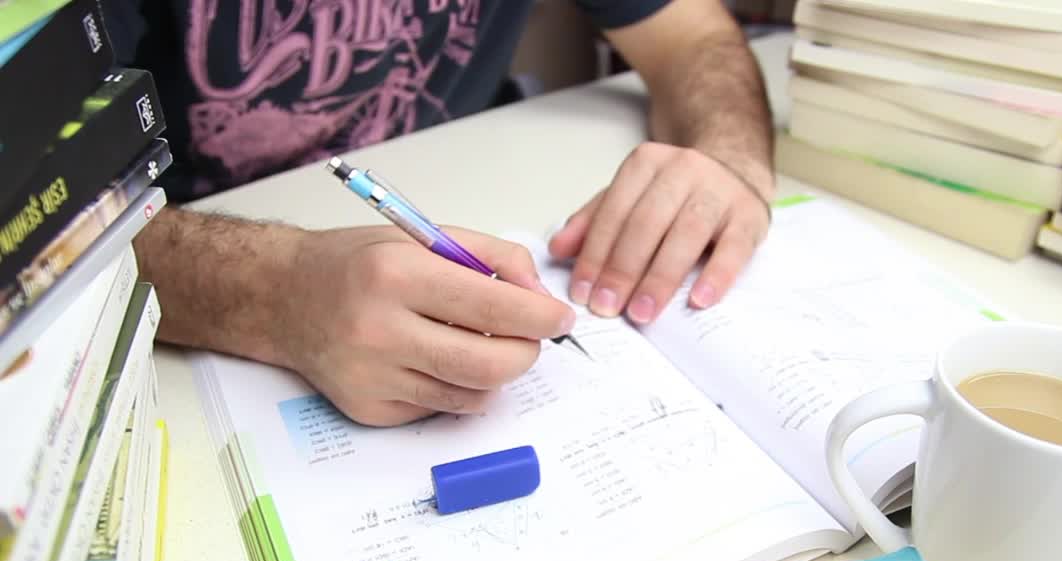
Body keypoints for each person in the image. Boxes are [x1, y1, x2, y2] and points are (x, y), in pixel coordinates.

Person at [101, 0, 775, 427]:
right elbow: (51, 222)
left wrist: (731, 160)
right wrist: (276, 293)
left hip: (473, 184)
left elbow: (694, 38)